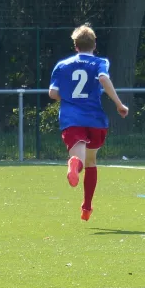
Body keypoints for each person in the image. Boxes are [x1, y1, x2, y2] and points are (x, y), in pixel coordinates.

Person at [48, 24, 129, 221]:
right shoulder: (100, 62)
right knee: (91, 161)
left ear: (75, 46)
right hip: (95, 119)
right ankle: (86, 207)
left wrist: (70, 99)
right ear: (94, 45)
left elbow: (52, 93)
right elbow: (103, 78)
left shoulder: (63, 65)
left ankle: (74, 164)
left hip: (72, 119)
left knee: (80, 161)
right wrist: (119, 103)